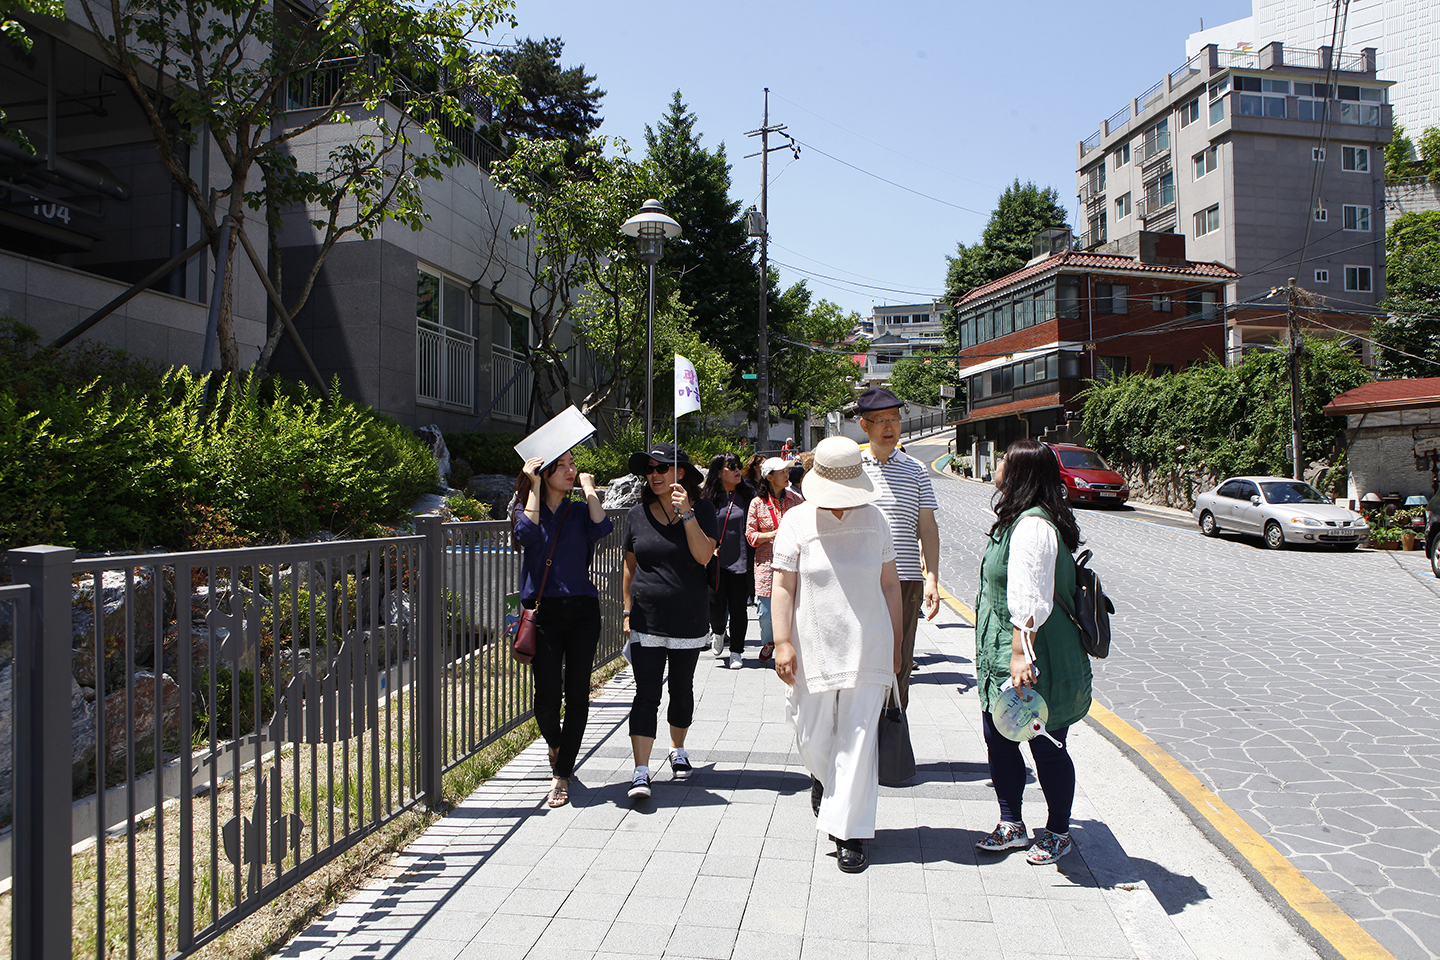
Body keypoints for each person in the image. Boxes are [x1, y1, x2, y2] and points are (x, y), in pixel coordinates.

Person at [771, 436, 903, 874]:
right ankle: (826, 782)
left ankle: (850, 833)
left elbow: (890, 587)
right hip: (812, 647)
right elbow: (783, 586)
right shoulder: (795, 521)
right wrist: (783, 641)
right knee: (812, 736)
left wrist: (898, 644)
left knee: (859, 742)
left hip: (870, 645)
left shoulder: (876, 521)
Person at [973, 439, 1092, 865]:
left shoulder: (1033, 527)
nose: (998, 463)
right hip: (1004, 653)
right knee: (1000, 737)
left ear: (1021, 472)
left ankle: (1058, 829)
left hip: (1032, 657)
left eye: (1005, 459)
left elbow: (1032, 600)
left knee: (1046, 743)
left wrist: (1022, 654)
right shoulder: (1013, 519)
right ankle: (1012, 823)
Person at [513, 450, 613, 809]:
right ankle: (557, 746)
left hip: (583, 610)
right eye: (565, 466)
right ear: (546, 470)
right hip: (544, 614)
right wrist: (535, 486)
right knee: (546, 697)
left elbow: (603, 527)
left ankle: (562, 774)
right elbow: (525, 534)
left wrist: (589, 489)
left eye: (574, 465)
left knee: (576, 694)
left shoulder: (579, 510)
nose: (572, 470)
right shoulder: (527, 510)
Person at [621, 442, 718, 800]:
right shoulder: (636, 514)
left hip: (688, 617)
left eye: (662, 468)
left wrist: (688, 514)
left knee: (681, 689)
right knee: (646, 693)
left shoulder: (702, 509)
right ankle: (641, 771)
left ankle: (678, 748)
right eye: (650, 469)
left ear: (680, 473)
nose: (654, 475)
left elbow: (705, 556)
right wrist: (627, 611)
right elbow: (630, 567)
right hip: (647, 618)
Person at [856, 387, 940, 709]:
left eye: (894, 419)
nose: (889, 427)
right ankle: (863, 733)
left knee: (899, 663)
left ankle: (893, 734)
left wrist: (931, 577)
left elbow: (928, 529)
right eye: (880, 421)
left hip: (905, 581)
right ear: (865, 425)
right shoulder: (853, 470)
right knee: (862, 660)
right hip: (860, 579)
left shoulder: (917, 470)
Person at [745, 456, 804, 664]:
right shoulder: (757, 503)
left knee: (794, 606)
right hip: (766, 565)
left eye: (787, 471)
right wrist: (773, 535)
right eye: (781, 472)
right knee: (766, 612)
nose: (787, 474)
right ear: (769, 477)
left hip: (793, 563)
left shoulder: (796, 499)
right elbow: (751, 536)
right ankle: (770, 641)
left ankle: (786, 644)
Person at [701, 453, 755, 669]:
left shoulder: (748, 496)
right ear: (718, 471)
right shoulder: (708, 499)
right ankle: (718, 630)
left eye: (738, 466)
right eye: (731, 466)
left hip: (741, 561)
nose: (737, 470)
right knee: (715, 605)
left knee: (739, 607)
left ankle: (736, 652)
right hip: (714, 561)